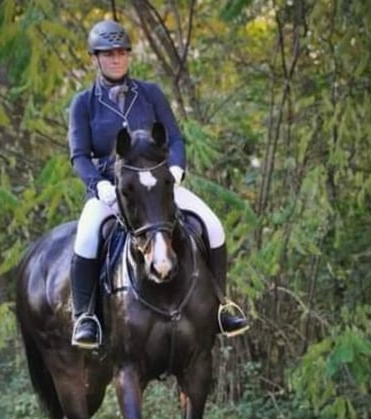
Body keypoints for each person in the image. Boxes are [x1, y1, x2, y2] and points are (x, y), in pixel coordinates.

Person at [68, 19, 248, 349]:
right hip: (114, 190)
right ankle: (86, 318)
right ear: (94, 58)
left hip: (158, 187)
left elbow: (175, 137)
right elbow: (79, 155)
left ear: (128, 56)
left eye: (121, 53)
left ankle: (223, 306)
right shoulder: (83, 103)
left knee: (213, 225)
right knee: (86, 237)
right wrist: (98, 186)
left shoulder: (150, 93)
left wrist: (177, 169)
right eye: (108, 54)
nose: (116, 59)